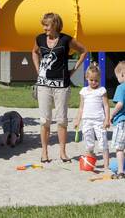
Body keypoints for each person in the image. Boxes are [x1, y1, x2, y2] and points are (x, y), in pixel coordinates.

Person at [32, 12, 87, 163]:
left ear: (55, 25)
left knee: (61, 120)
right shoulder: (40, 38)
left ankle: (63, 152)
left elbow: (84, 51)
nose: (44, 28)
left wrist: (74, 70)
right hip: (44, 85)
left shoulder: (66, 39)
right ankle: (44, 152)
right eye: (43, 25)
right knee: (45, 120)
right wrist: (38, 70)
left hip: (62, 85)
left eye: (47, 25)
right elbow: (34, 52)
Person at [73, 64, 111, 169]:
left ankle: (106, 165)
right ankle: (90, 162)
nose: (94, 82)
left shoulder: (101, 90)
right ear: (86, 78)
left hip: (99, 121)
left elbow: (106, 106)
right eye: (91, 80)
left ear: (99, 79)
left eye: (96, 80)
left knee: (103, 143)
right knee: (89, 143)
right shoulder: (84, 91)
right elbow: (81, 108)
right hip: (87, 120)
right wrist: (77, 120)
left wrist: (107, 119)